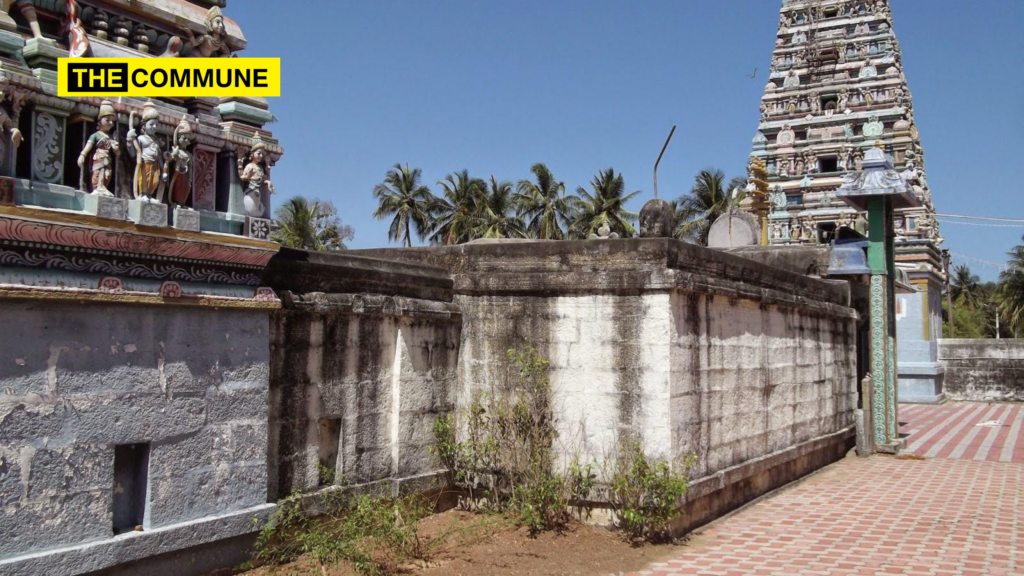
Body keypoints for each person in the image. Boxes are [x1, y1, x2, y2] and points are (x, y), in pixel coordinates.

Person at [77, 100, 119, 196]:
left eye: (112, 121)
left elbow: (117, 153)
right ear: (100, 121)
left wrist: (116, 148)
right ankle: (99, 187)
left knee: (108, 174)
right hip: (99, 156)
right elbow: (88, 147)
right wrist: (82, 155)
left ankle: (103, 187)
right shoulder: (96, 135)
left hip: (108, 158)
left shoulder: (111, 136)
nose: (110, 123)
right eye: (107, 120)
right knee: (100, 171)